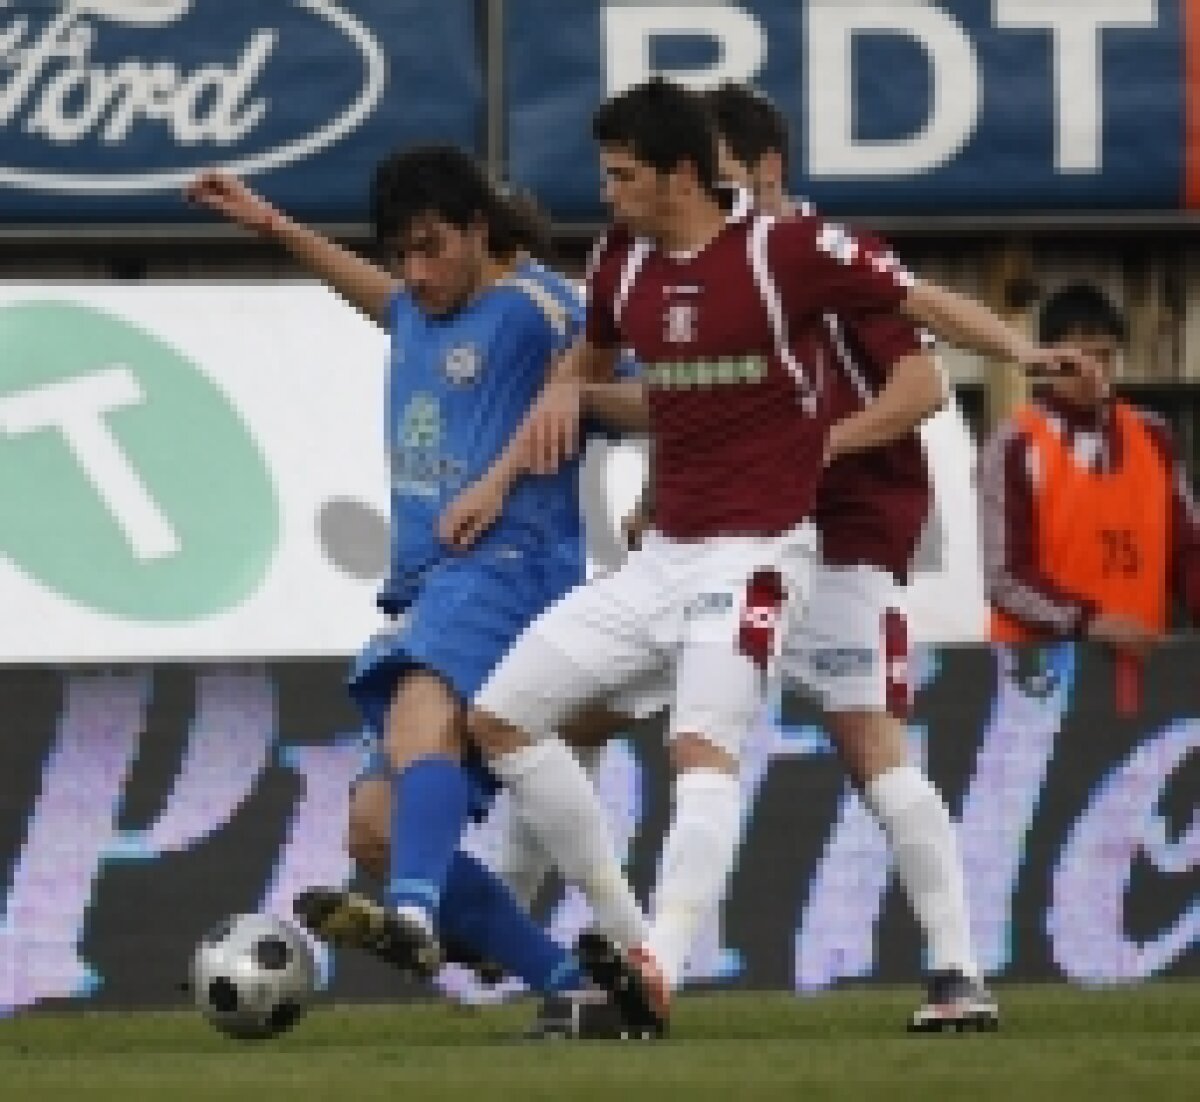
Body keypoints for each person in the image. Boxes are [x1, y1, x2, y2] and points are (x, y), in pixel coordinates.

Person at [466, 78, 1094, 1037]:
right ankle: (579, 934)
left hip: (822, 541)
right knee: (542, 715)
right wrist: (573, 402)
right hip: (680, 545)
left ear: (729, 168)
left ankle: (951, 969)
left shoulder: (806, 253)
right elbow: (676, 395)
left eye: (625, 173)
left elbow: (922, 377)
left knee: (853, 744)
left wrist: (1018, 353)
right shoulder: (626, 262)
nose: (609, 192)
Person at [185, 147, 647, 1037]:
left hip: (511, 568)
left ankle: (412, 919)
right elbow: (382, 298)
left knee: (419, 711)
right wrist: (277, 227)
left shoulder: (543, 309)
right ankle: (580, 988)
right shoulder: (418, 304)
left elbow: (647, 395)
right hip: (432, 585)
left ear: (478, 229)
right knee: (376, 827)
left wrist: (573, 418)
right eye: (402, 253)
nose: (417, 272)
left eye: (433, 248)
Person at [983, 282, 1200, 648]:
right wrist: (1089, 622)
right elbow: (1004, 576)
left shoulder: (1154, 435)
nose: (1092, 373)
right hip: (1042, 668)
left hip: (1139, 660)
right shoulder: (1014, 444)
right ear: (1047, 358)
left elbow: (1188, 549)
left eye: (1104, 357)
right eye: (1078, 360)